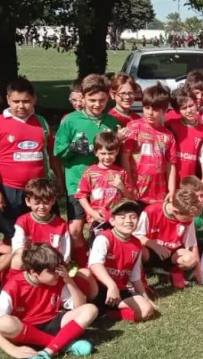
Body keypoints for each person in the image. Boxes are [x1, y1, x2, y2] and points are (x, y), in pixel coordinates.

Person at [0, 243, 97, 359]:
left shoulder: (57, 280)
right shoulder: (14, 285)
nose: (57, 274)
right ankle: (64, 345)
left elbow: (80, 306)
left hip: (52, 321)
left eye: (58, 268)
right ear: (33, 272)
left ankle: (47, 352)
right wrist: (12, 350)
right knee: (4, 322)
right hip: (25, 329)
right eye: (51, 271)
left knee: (90, 309)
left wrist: (68, 280)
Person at [55, 74, 120, 264]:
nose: (97, 104)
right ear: (82, 98)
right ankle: (85, 265)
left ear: (108, 98)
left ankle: (106, 263)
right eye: (91, 100)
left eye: (101, 100)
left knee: (105, 227)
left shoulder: (112, 122)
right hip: (77, 182)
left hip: (105, 185)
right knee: (75, 229)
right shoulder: (70, 120)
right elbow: (58, 151)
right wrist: (73, 148)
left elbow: (119, 153)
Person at [0, 77, 53, 242]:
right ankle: (11, 267)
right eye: (16, 101)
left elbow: (51, 153)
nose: (21, 106)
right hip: (9, 190)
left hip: (37, 189)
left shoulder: (41, 123)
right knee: (11, 234)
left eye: (26, 101)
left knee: (38, 230)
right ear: (7, 100)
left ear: (34, 99)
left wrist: (59, 180)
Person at [87, 200, 157, 322]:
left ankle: (107, 313)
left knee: (147, 310)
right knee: (83, 274)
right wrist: (111, 285)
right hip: (97, 288)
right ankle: (93, 307)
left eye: (133, 217)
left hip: (119, 291)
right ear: (112, 221)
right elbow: (95, 265)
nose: (128, 221)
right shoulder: (104, 238)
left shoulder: (137, 244)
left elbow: (135, 277)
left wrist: (146, 298)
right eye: (122, 217)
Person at [136, 187, 203, 290]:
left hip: (172, 254)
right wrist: (152, 244)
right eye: (187, 218)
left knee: (190, 259)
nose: (190, 220)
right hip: (151, 252)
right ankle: (141, 281)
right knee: (137, 250)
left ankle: (175, 271)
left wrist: (198, 269)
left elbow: (192, 244)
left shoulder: (188, 217)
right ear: (175, 211)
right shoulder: (151, 211)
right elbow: (136, 236)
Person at [123, 84, 178, 204]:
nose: (150, 113)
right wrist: (129, 185)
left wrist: (172, 190)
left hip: (160, 195)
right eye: (147, 108)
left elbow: (170, 164)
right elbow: (125, 157)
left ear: (164, 111)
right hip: (137, 193)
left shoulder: (168, 136)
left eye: (156, 109)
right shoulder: (134, 127)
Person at [75, 130, 132, 234]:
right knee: (98, 247)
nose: (107, 157)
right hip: (97, 218)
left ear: (117, 151)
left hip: (118, 219)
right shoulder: (90, 173)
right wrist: (91, 212)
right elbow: (81, 195)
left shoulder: (121, 172)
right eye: (103, 153)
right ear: (96, 152)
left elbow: (130, 198)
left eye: (111, 153)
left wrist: (121, 187)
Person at [10, 178, 70, 270]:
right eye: (37, 203)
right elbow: (18, 247)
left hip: (52, 266)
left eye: (46, 203)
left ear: (53, 201)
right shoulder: (22, 221)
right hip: (29, 265)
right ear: (28, 201)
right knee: (17, 262)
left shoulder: (61, 224)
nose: (41, 207)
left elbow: (65, 253)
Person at [166, 88, 203, 184]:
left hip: (189, 180)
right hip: (169, 178)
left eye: (191, 106)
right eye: (184, 108)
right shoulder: (171, 125)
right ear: (177, 111)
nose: (189, 110)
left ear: (196, 103)